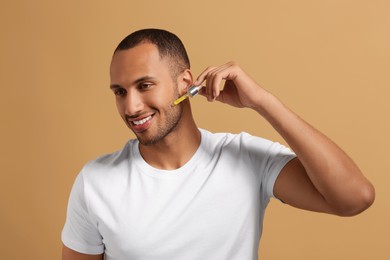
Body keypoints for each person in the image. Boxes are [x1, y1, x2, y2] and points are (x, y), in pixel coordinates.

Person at [62, 28, 375, 260]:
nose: (131, 107)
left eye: (144, 86)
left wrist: (262, 102)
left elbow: (355, 198)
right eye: (119, 92)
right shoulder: (95, 182)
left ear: (184, 84)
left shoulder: (247, 159)